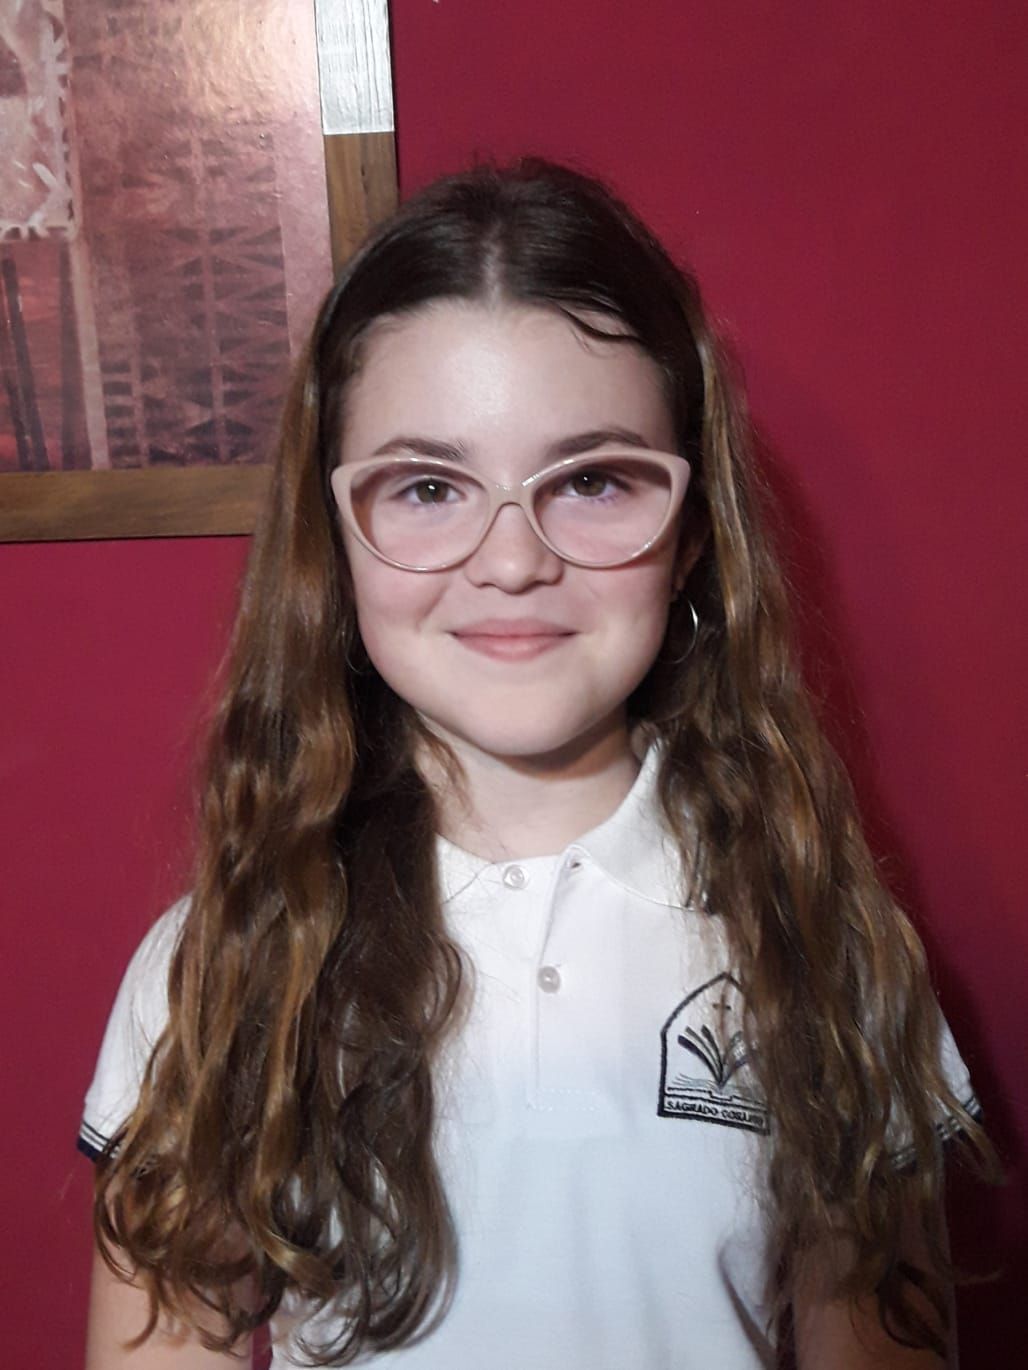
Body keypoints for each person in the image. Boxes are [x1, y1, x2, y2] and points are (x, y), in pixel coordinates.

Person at [80, 158, 993, 1369]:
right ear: (330, 540)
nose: (511, 561)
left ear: (691, 535)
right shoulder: (228, 958)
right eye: (427, 485)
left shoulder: (822, 940)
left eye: (592, 480)